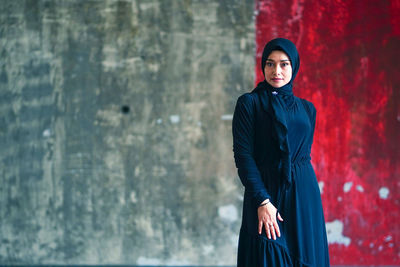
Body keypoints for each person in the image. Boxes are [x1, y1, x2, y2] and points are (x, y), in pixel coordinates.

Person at [232, 38, 330, 266]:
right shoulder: (249, 104)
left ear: (293, 67)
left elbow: (302, 154)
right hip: (266, 193)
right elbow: (243, 157)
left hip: (304, 197)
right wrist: (263, 201)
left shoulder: (308, 109)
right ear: (263, 66)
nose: (276, 70)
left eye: (284, 64)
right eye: (270, 63)